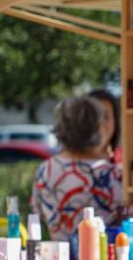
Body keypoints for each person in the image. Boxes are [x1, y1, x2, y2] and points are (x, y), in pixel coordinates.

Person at [31, 96, 122, 242]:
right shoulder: (113, 174)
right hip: (105, 259)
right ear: (96, 127)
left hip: (60, 259)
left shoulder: (45, 170)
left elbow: (38, 213)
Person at [88, 89, 121, 164]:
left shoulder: (124, 161)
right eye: (95, 116)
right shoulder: (70, 161)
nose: (100, 124)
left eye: (106, 116)